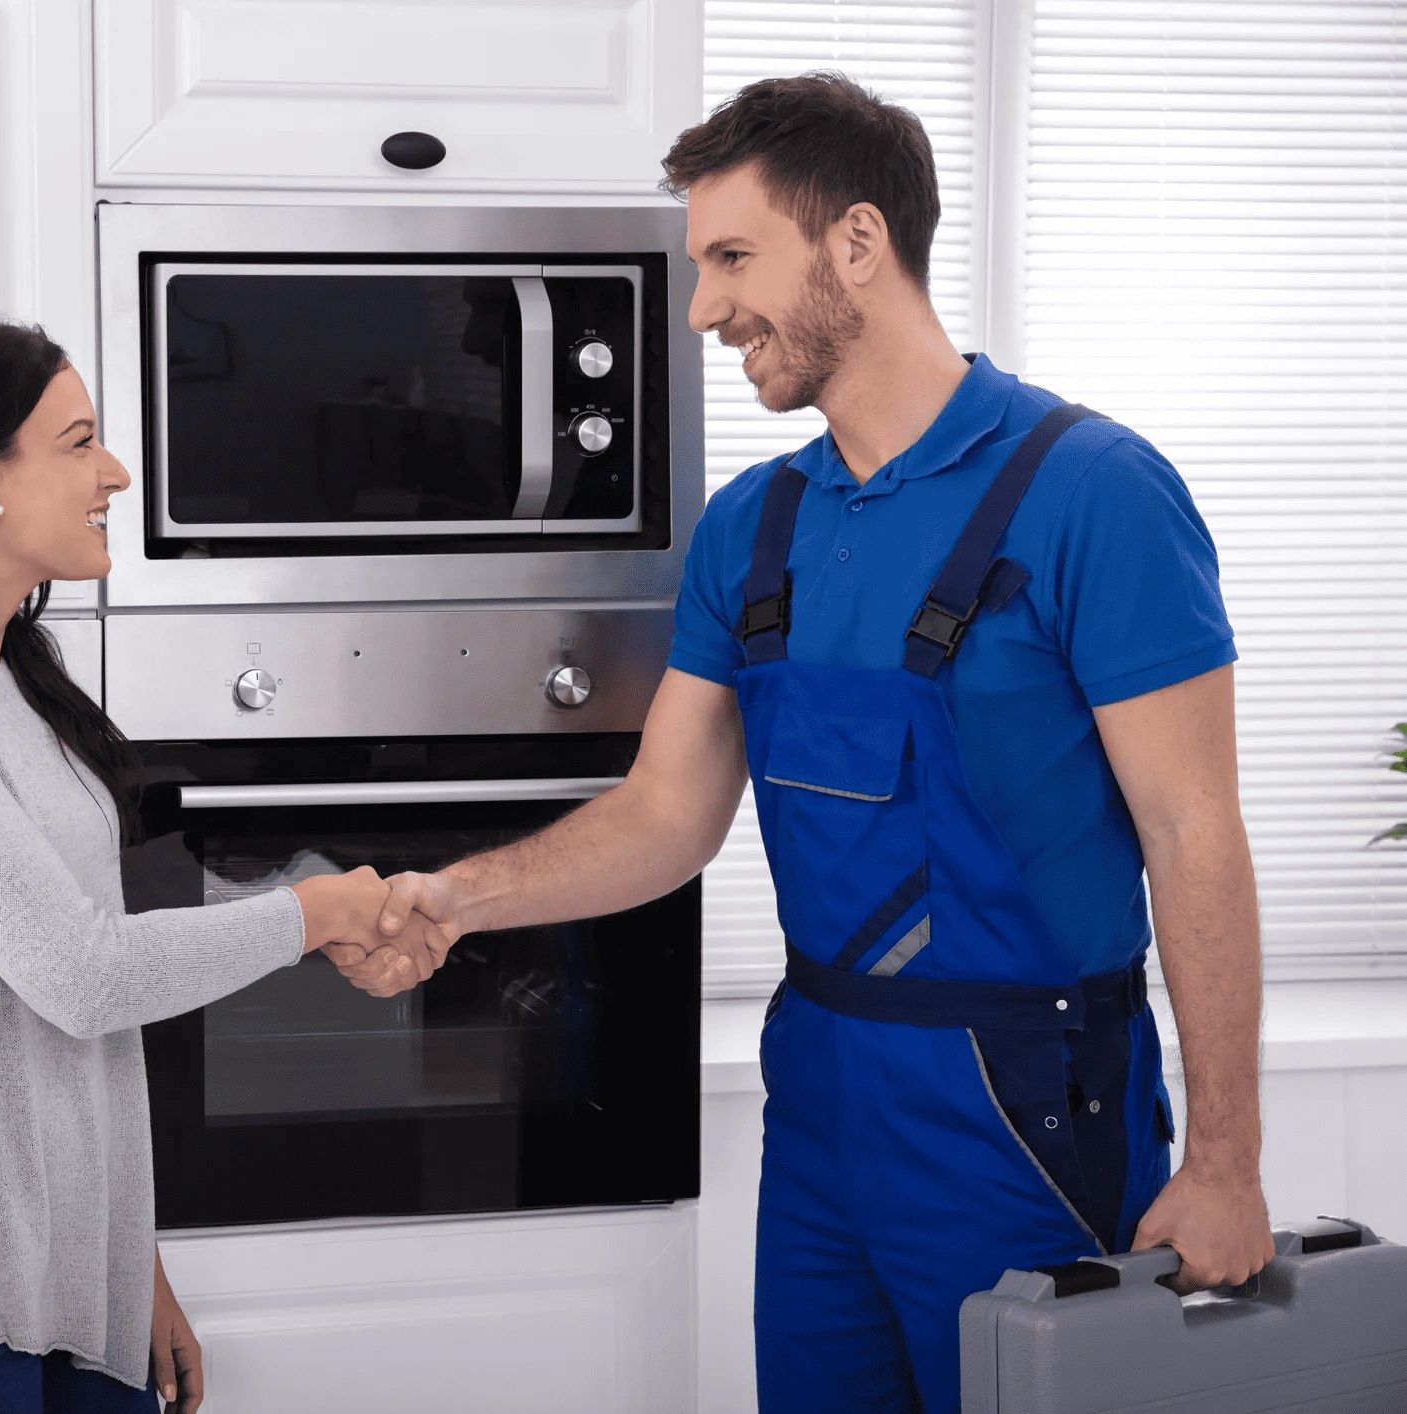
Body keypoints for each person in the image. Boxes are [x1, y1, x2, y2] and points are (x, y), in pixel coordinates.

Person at [359, 73, 1275, 1412]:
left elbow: (1195, 835)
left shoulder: (1093, 493)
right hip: (823, 1106)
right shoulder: (751, 528)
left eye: (733, 258)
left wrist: (1227, 1160)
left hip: (1023, 1110)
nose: (703, 309)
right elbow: (665, 813)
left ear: (857, 240)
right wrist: (455, 898)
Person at [0, 321, 440, 1412]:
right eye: (79, 443)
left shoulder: (17, 678)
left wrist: (136, 1267)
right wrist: (314, 914)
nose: (115, 472)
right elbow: (86, 975)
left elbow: (99, 944)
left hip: (67, 1290)